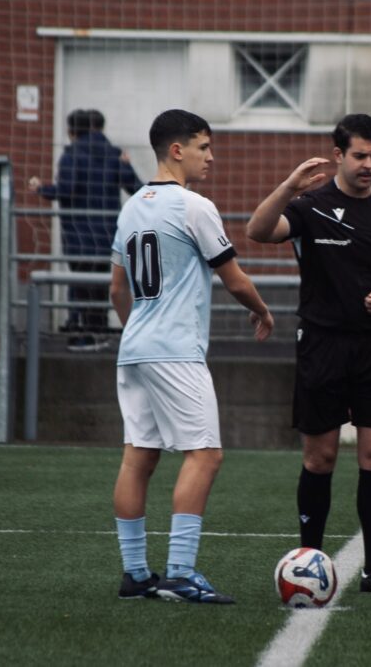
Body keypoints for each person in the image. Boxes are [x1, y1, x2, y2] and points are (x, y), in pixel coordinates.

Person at [247, 114, 371, 594]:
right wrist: (288, 186)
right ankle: (308, 559)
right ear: (338, 156)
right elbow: (258, 230)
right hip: (323, 345)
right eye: (360, 156)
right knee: (320, 458)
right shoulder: (311, 206)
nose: (369, 165)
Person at [109, 109, 275, 604]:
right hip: (175, 352)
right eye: (204, 146)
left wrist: (138, 329)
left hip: (135, 349)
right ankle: (180, 574)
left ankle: (136, 575)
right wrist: (263, 311)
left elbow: (117, 289)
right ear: (176, 150)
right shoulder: (194, 206)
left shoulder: (132, 207)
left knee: (138, 457)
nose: (211, 157)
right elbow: (235, 278)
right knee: (205, 454)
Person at [30, 109, 143, 352]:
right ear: (101, 128)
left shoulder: (72, 155)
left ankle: (82, 334)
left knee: (80, 284)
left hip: (79, 234)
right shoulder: (115, 155)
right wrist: (128, 166)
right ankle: (98, 332)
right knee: (101, 285)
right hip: (108, 235)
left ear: (72, 131)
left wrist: (41, 188)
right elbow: (136, 188)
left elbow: (66, 189)